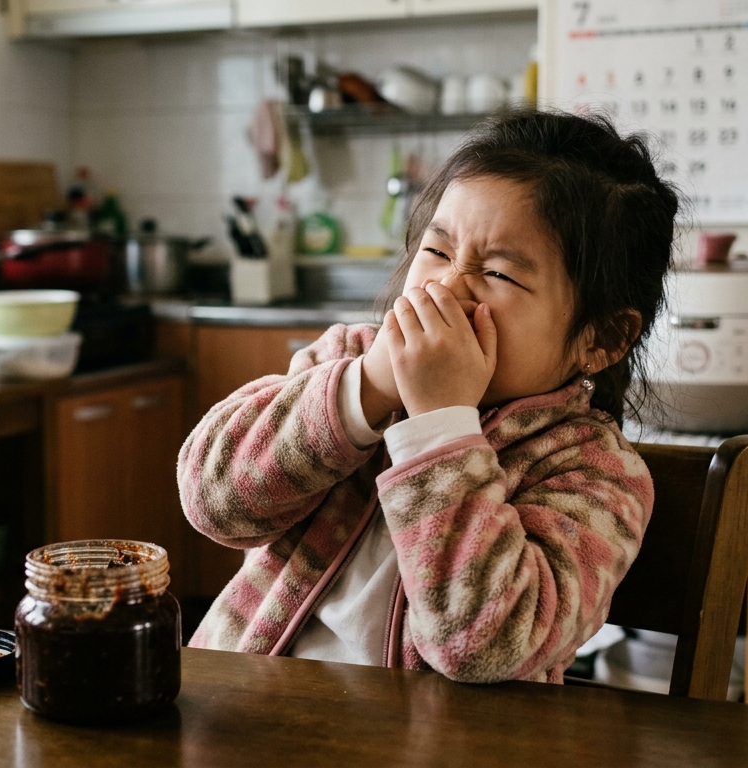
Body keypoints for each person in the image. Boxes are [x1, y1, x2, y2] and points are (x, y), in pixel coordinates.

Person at [178, 109, 678, 683]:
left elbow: (485, 646)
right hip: (256, 715)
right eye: (437, 253)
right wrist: (365, 389)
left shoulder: (596, 474)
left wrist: (441, 427)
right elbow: (213, 504)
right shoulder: (346, 363)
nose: (443, 287)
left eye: (500, 275)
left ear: (603, 339)